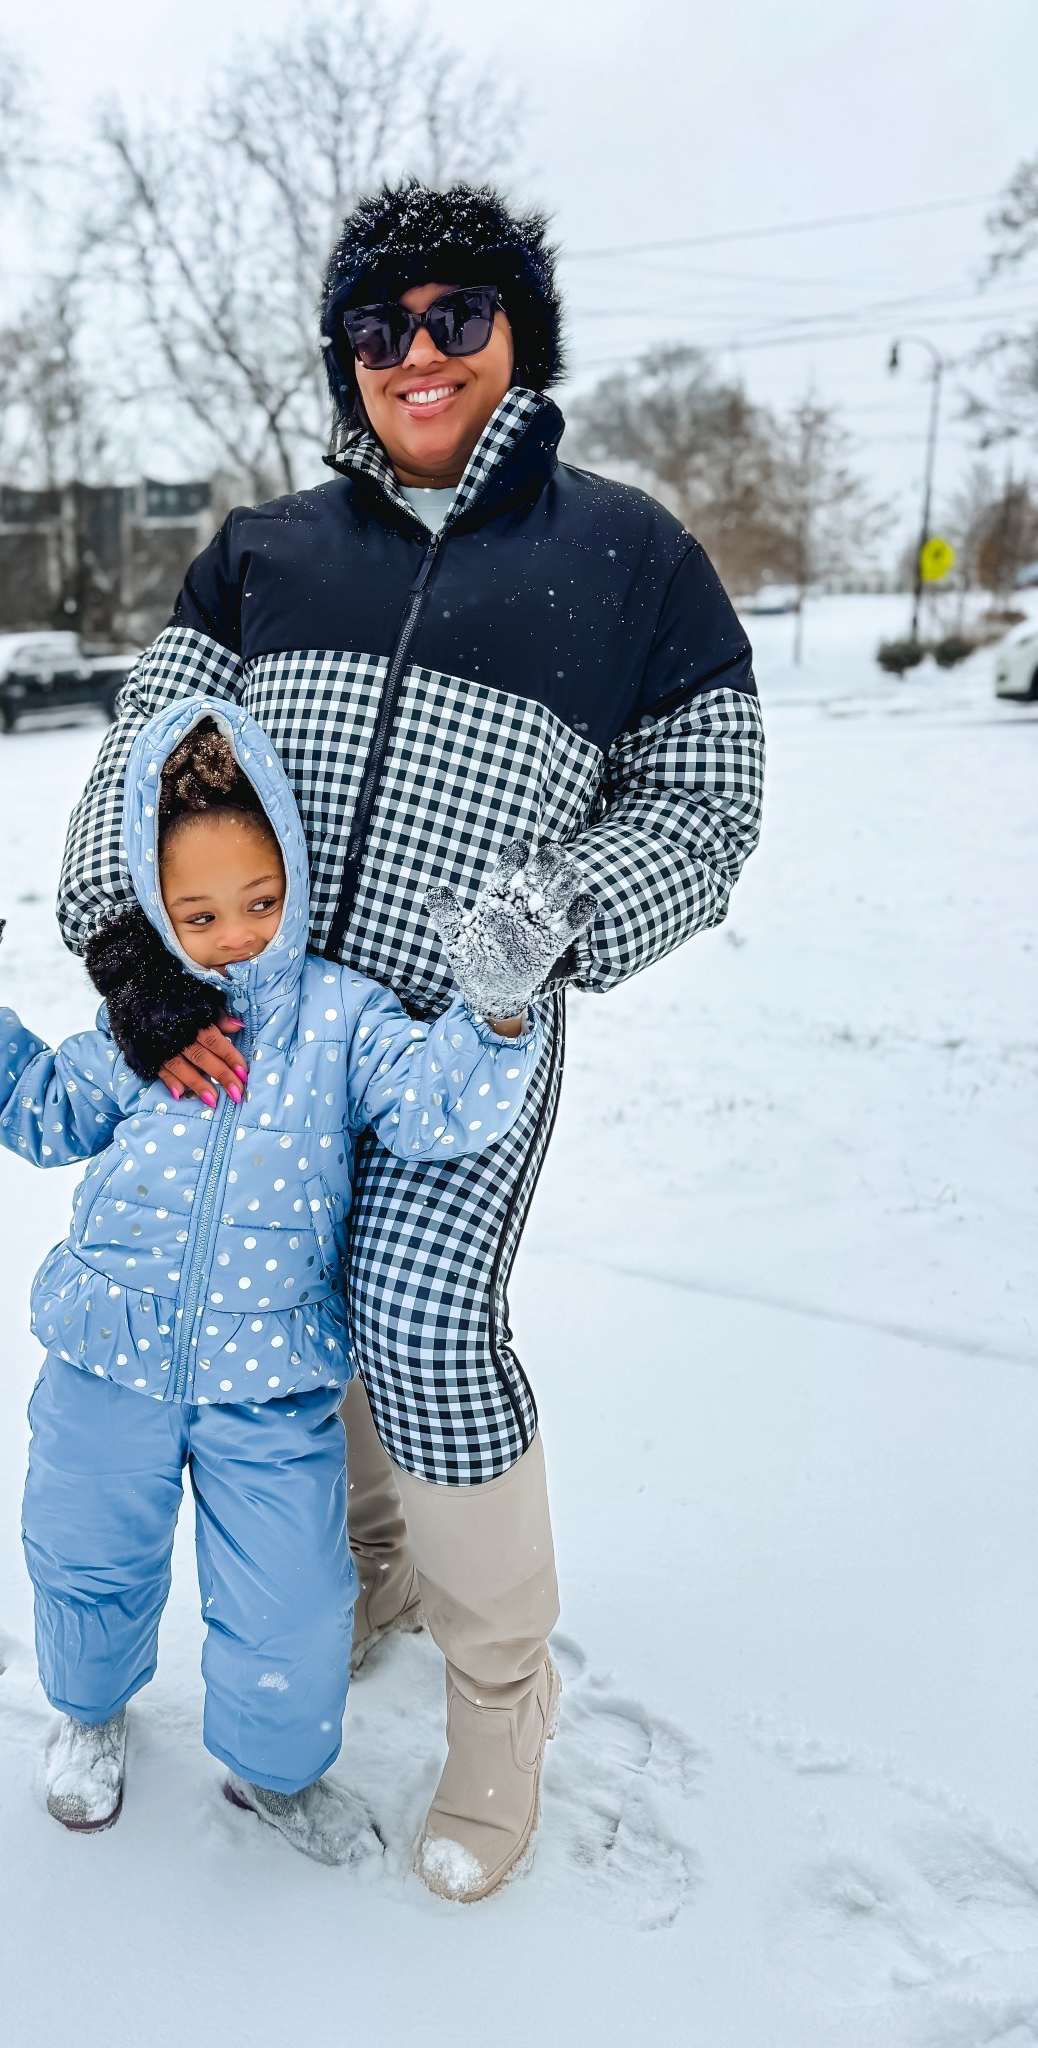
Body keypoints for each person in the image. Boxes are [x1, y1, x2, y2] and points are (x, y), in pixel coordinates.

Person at [56, 181, 766, 1902]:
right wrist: (128, 955)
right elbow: (141, 747)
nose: (420, 351)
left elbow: (710, 799)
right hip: (262, 1033)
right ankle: (371, 1562)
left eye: (459, 314)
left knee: (424, 1315)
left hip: (461, 1036)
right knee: (277, 1297)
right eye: (381, 326)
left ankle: (499, 1699)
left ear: (519, 333)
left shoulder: (629, 554)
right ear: (345, 359)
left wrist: (546, 919)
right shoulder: (264, 550)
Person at [0, 697, 552, 1865]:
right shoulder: (146, 1023)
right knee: (85, 1548)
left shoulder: (344, 1018)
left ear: (297, 877)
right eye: (200, 912)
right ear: (157, 905)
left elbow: (434, 1108)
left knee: (294, 1598)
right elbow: (50, 1115)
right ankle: (89, 1710)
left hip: (270, 1376)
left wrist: (498, 1010)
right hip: (107, 1349)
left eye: (262, 900)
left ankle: (277, 1768)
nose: (237, 933)